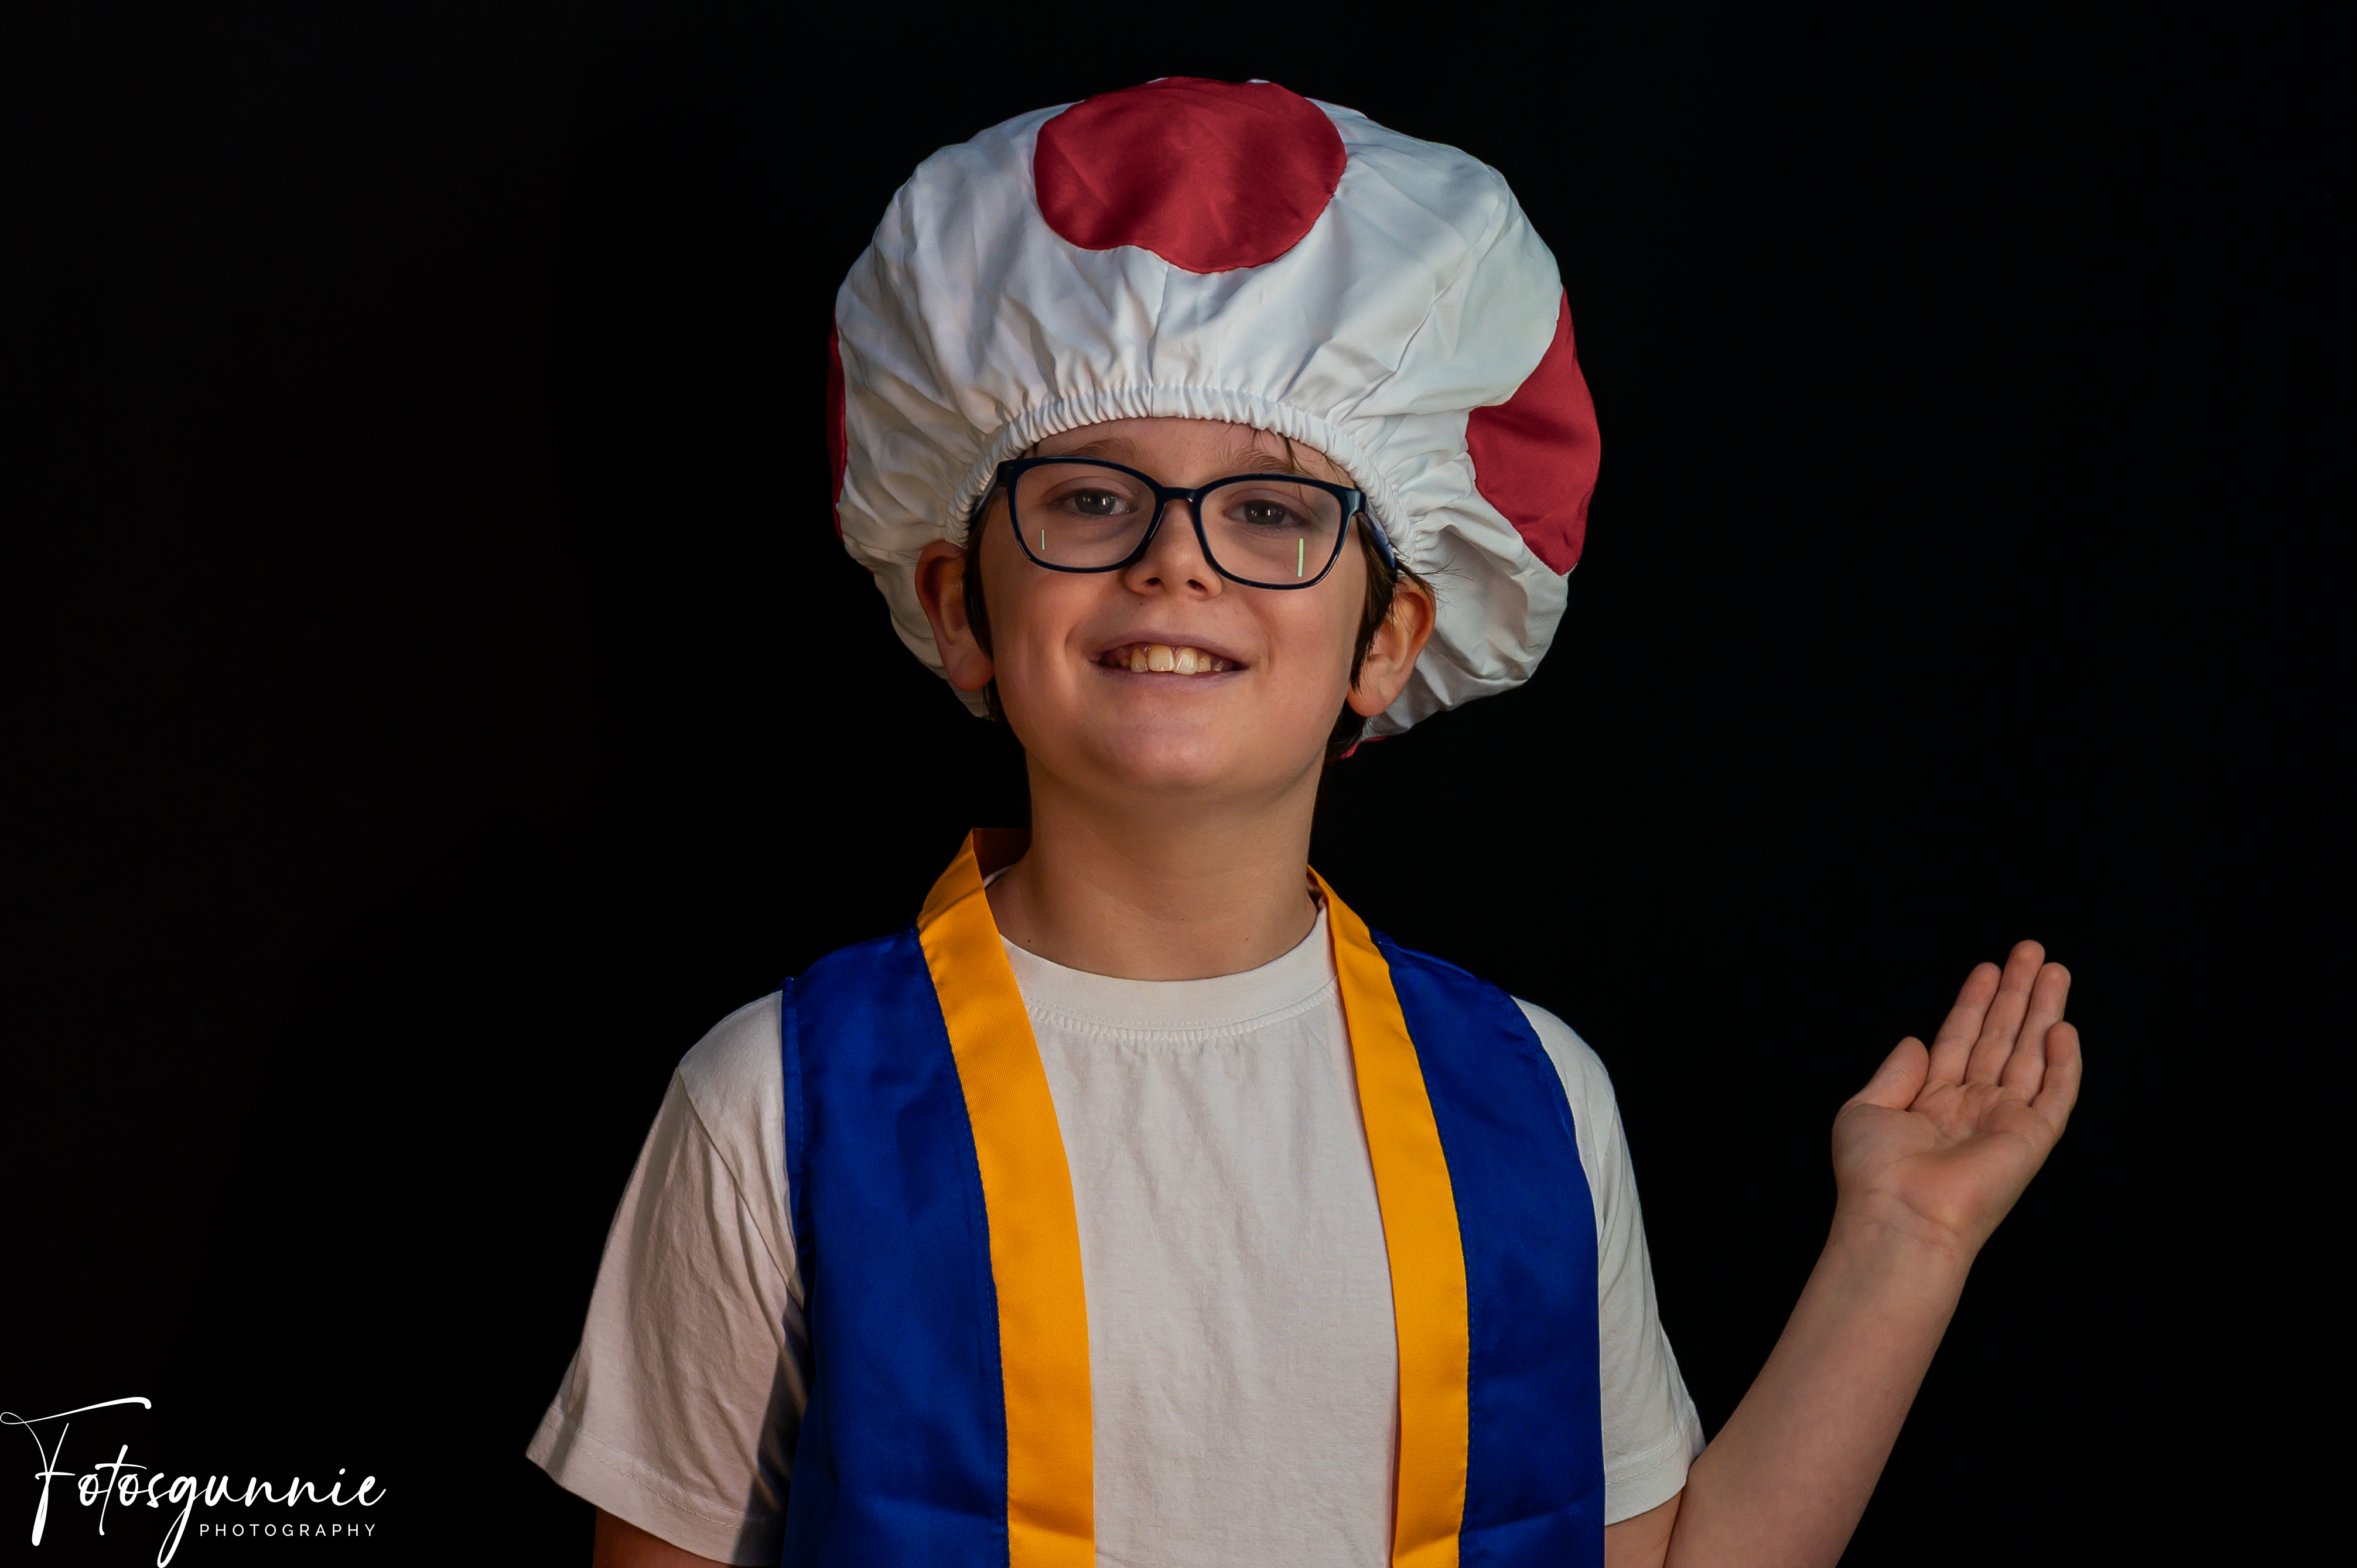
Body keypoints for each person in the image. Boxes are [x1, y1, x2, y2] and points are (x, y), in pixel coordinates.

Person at [527, 77, 2082, 1568]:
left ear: (1387, 641)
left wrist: (1907, 1240)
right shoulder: (773, 1106)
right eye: (1090, 498)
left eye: (1272, 512)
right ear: (958, 607)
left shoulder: (1535, 1100)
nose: (1175, 562)